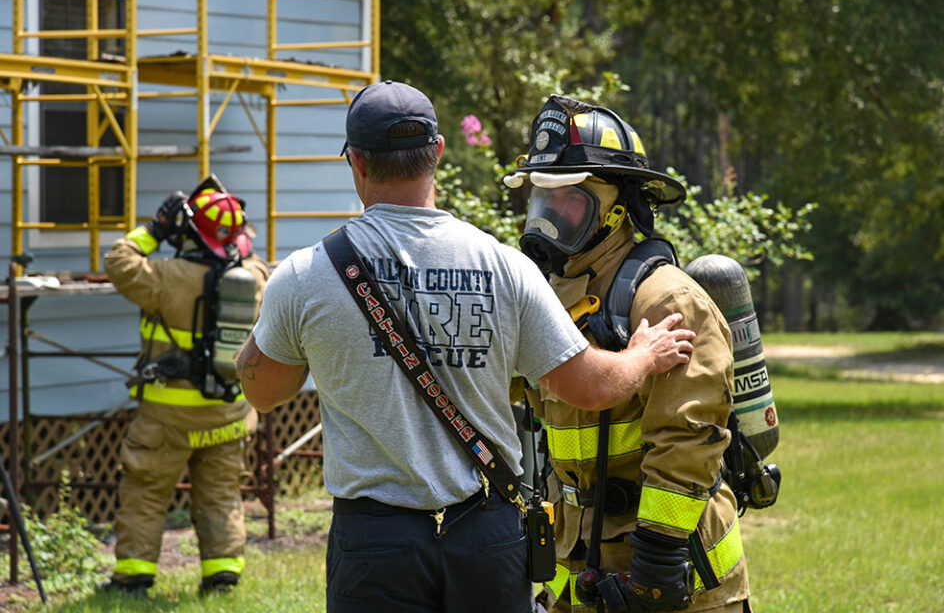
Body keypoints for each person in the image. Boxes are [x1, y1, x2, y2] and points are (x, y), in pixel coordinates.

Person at [236, 80, 696, 613]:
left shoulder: (305, 275)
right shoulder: (506, 268)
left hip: (374, 543)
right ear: (437, 152)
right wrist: (644, 355)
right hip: (488, 532)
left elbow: (263, 392)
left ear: (356, 162)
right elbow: (590, 388)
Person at [503, 95, 750, 612]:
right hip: (579, 567)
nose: (549, 216)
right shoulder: (547, 296)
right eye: (543, 198)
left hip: (673, 580)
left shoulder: (666, 301)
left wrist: (657, 564)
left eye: (569, 200)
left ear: (618, 209)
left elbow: (687, 439)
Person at [102, 176, 270, 594]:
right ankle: (222, 574)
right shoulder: (256, 277)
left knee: (145, 491)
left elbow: (119, 261)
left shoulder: (164, 277)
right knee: (221, 494)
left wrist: (157, 228)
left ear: (190, 233)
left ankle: (134, 576)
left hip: (167, 417)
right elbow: (245, 249)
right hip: (228, 414)